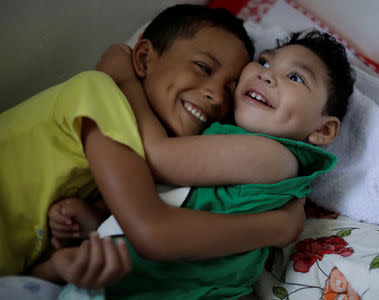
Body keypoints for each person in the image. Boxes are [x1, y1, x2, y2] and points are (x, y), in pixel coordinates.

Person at [0, 4, 307, 283]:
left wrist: (54, 268)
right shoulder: (98, 93)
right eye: (203, 67)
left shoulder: (134, 157)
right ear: (144, 57)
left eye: (231, 89)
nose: (216, 95)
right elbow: (152, 232)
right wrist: (276, 227)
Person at [51, 29, 355, 299]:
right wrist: (100, 219)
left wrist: (124, 82)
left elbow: (158, 158)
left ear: (323, 130)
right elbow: (173, 196)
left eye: (295, 77)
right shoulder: (226, 136)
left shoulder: (274, 155)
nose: (266, 74)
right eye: (264, 61)